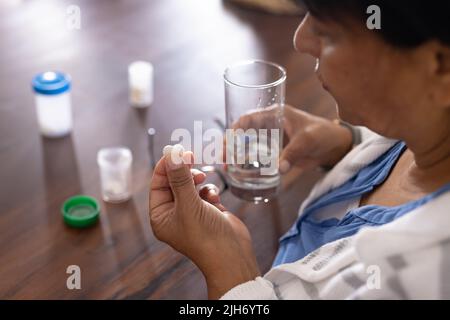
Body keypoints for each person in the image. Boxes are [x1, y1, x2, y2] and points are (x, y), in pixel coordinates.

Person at [149, 0, 450, 299]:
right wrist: (345, 143)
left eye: (328, 32)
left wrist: (228, 270)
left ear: (440, 66)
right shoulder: (423, 139)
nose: (301, 40)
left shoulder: (418, 277)